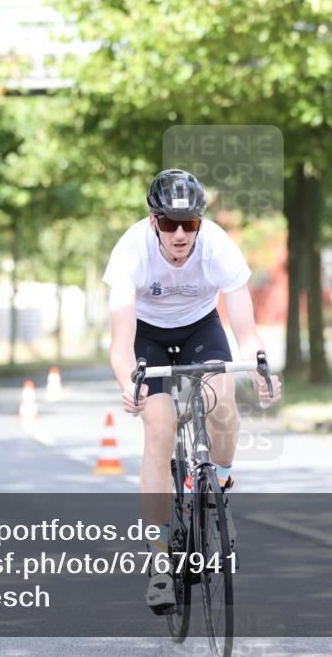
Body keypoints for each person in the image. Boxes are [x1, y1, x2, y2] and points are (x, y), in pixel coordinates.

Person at [102, 168, 282, 614]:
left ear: (201, 223)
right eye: (168, 223)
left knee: (223, 401)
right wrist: (130, 384)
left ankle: (218, 487)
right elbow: (120, 343)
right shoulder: (130, 253)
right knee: (160, 425)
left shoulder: (219, 246)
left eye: (190, 224)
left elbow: (246, 329)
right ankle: (160, 558)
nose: (180, 234)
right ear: (153, 224)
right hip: (148, 334)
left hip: (202, 326)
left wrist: (261, 369)